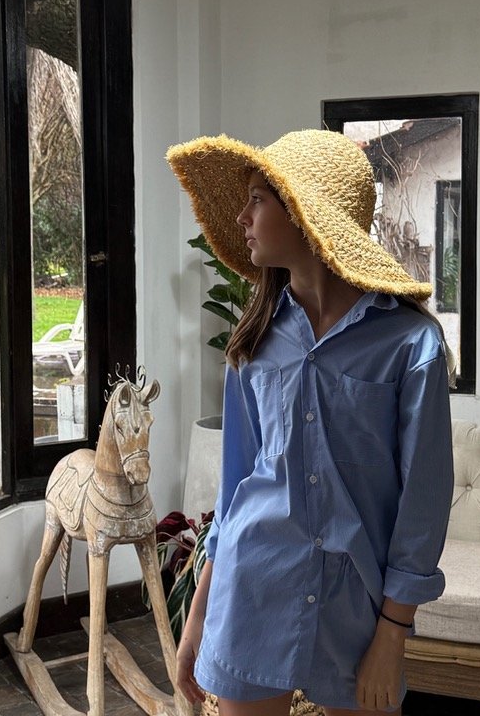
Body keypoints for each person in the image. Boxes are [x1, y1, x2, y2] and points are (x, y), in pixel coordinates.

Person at [166, 129, 454, 716]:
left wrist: (393, 634)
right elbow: (236, 491)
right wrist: (198, 617)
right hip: (250, 592)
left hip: (358, 609)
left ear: (302, 214)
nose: (243, 219)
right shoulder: (253, 344)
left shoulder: (410, 345)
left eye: (257, 200)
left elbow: (423, 503)